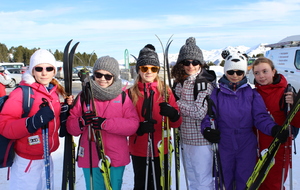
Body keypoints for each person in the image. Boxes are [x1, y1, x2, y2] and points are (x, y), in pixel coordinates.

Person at [201, 50, 288, 190]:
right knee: (224, 179)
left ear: (244, 73)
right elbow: (209, 116)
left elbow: (260, 117)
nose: (235, 76)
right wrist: (207, 129)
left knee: (246, 180)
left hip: (246, 143)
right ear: (225, 72)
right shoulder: (217, 94)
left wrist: (273, 128)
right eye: (231, 72)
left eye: (239, 72)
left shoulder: (252, 94)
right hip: (224, 142)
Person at [0, 49, 73, 190]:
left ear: (54, 71)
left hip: (46, 156)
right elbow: (4, 126)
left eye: (49, 68)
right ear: (32, 71)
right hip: (27, 161)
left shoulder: (53, 92)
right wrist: (31, 122)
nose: (44, 73)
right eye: (39, 68)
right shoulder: (22, 93)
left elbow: (51, 116)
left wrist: (64, 109)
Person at [66, 56, 139, 190]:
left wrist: (105, 124)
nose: (102, 79)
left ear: (114, 77)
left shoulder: (122, 97)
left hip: (115, 156)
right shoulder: (84, 96)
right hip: (90, 155)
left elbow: (133, 125)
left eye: (108, 76)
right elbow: (71, 127)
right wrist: (81, 122)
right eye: (98, 74)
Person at [128, 44, 182, 190]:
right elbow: (125, 123)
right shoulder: (129, 94)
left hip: (161, 148)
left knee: (161, 184)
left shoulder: (166, 92)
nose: (149, 72)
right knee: (141, 184)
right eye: (145, 68)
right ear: (139, 69)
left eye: (153, 68)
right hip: (139, 148)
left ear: (158, 70)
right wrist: (138, 128)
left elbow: (176, 123)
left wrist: (173, 114)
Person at [171, 37, 217, 190]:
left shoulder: (204, 82)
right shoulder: (179, 83)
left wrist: (175, 103)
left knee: (203, 180)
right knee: (192, 179)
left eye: (194, 62)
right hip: (184, 138)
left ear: (200, 63)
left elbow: (199, 112)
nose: (190, 66)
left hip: (201, 140)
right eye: (186, 62)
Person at [252, 57, 300, 190]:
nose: (261, 76)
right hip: (256, 146)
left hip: (278, 145)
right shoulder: (253, 93)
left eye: (265, 71)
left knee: (273, 183)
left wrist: (296, 104)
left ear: (273, 72)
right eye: (257, 73)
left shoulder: (285, 92)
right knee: (257, 183)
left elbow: (297, 122)